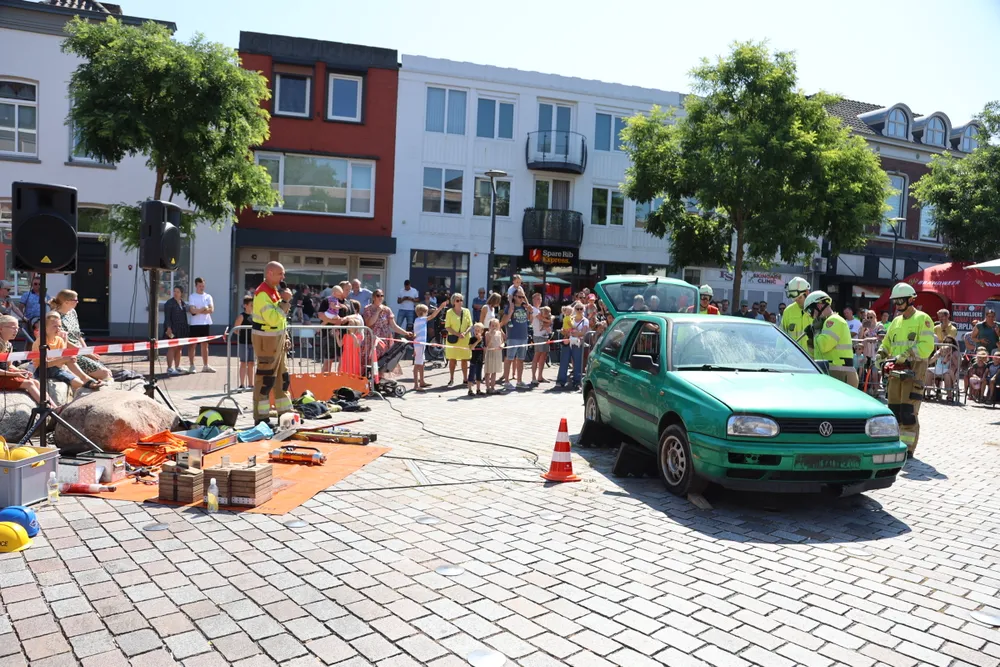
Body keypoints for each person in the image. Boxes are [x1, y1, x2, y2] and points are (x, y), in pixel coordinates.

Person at [876, 282, 935, 457]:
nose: (897, 304)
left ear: (910, 300)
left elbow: (926, 346)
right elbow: (887, 343)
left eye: (900, 301)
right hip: (896, 370)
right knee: (895, 409)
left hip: (914, 369)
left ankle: (908, 448)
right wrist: (881, 354)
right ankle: (896, 443)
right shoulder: (896, 321)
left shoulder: (923, 319)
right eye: (895, 301)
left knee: (908, 411)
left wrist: (908, 354)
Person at [251, 262, 293, 425]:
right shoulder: (262, 293)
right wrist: (286, 301)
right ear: (269, 273)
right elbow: (273, 319)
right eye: (280, 274)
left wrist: (285, 336)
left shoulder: (273, 291)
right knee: (265, 379)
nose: (283, 277)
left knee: (283, 377)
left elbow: (280, 319)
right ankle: (261, 417)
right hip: (266, 340)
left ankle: (285, 415)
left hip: (277, 339)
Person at [50, 290, 112, 384]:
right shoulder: (55, 317)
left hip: (80, 350)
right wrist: (85, 353)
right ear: (66, 302)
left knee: (107, 372)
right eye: (75, 300)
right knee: (105, 373)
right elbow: (63, 341)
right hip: (69, 353)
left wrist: (87, 350)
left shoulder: (72, 312)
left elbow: (78, 334)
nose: (77, 302)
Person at [804, 291, 858, 388]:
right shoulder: (825, 324)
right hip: (832, 372)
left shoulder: (833, 321)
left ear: (819, 306)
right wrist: (811, 339)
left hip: (840, 373)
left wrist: (816, 331)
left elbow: (823, 346)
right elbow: (815, 354)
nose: (811, 316)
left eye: (810, 311)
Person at [32, 311, 94, 393]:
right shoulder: (41, 342)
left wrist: (69, 358)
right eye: (55, 326)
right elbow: (44, 364)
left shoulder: (59, 340)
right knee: (64, 373)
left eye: (59, 326)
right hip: (42, 369)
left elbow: (63, 356)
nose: (58, 329)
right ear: (45, 328)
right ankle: (84, 384)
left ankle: (85, 379)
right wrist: (64, 360)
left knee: (69, 360)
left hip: (56, 365)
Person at [363, 289, 413, 374]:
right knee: (372, 361)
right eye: (378, 295)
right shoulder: (368, 308)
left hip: (385, 340)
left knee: (384, 361)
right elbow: (369, 323)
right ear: (374, 297)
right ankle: (372, 378)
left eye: (382, 296)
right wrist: (377, 311)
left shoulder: (387, 310)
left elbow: (393, 326)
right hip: (373, 340)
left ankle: (380, 378)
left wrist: (405, 333)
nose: (380, 297)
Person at [0, 315, 42, 403]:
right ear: (1, 329)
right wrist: (14, 374)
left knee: (36, 382)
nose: (16, 331)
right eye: (13, 328)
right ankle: (46, 407)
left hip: (4, 375)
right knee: (29, 384)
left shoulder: (9, 345)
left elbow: (9, 366)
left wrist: (21, 371)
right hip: (2, 376)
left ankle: (54, 407)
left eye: (17, 328)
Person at [500, 287, 532, 389]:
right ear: (514, 297)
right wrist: (510, 312)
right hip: (513, 337)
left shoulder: (524, 307)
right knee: (509, 359)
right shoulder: (510, 306)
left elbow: (530, 321)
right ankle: (506, 381)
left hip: (523, 337)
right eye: (519, 297)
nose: (522, 299)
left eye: (523, 297)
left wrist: (530, 312)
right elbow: (503, 322)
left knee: (521, 360)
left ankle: (519, 381)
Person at [412, 301, 446, 391]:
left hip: (419, 344)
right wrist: (440, 307)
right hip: (420, 344)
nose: (427, 313)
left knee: (422, 363)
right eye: (426, 312)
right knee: (417, 364)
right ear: (423, 312)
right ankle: (416, 385)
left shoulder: (416, 320)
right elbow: (433, 316)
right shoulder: (422, 319)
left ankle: (422, 381)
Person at [557, 302, 589, 391]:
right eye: (577, 308)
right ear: (574, 310)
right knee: (564, 361)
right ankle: (561, 381)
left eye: (581, 308)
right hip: (567, 341)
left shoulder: (585, 320)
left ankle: (577, 382)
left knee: (578, 363)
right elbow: (563, 329)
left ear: (583, 310)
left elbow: (583, 332)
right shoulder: (570, 318)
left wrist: (574, 333)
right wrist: (564, 331)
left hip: (578, 343)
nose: (579, 310)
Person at [187, 277, 215, 373]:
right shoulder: (192, 296)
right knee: (192, 345)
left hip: (205, 323)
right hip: (194, 324)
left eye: (203, 286)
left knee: (205, 345)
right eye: (200, 286)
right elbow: (192, 310)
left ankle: (205, 365)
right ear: (196, 286)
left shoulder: (208, 296)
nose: (202, 288)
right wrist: (203, 308)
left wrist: (198, 310)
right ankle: (192, 366)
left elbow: (211, 310)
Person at [444, 294, 472, 386]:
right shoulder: (449, 312)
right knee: (452, 360)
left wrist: (465, 333)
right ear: (453, 302)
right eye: (457, 300)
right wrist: (457, 334)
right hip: (453, 339)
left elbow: (470, 325)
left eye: (461, 300)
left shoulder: (467, 311)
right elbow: (447, 327)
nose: (460, 302)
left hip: (465, 339)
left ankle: (465, 379)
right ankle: (451, 378)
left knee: (464, 360)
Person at [780, 277, 812, 355]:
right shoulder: (788, 311)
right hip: (793, 359)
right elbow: (781, 337)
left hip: (812, 360)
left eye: (799, 298)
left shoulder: (818, 310)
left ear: (807, 292)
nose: (797, 301)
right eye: (795, 299)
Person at [163, 286, 190, 375]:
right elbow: (167, 317)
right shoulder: (169, 303)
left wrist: (186, 329)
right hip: (172, 329)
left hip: (181, 329)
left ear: (181, 293)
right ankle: (169, 368)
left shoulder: (183, 303)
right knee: (172, 347)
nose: (175, 293)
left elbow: (184, 317)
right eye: (174, 291)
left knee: (179, 347)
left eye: (178, 292)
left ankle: (177, 366)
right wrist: (168, 328)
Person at [926, 336, 960, 402]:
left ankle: (949, 395)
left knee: (947, 375)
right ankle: (928, 394)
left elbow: (957, 365)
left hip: (947, 371)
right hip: (938, 369)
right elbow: (930, 362)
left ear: (953, 343)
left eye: (950, 342)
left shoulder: (955, 352)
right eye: (946, 342)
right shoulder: (940, 350)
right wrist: (936, 357)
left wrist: (951, 356)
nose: (948, 343)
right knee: (928, 372)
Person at [232, 296, 255, 392]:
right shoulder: (241, 316)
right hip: (243, 343)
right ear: (245, 305)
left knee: (251, 363)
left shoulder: (255, 316)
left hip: (253, 343)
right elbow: (235, 329)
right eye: (251, 305)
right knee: (243, 362)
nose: (253, 306)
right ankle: (242, 384)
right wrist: (243, 335)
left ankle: (251, 384)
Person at [530, 295, 553, 385]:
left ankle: (540, 376)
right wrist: (550, 320)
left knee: (543, 357)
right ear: (533, 300)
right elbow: (543, 319)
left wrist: (550, 320)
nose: (539, 300)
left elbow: (550, 318)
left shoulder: (542, 310)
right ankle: (533, 377)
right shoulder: (533, 309)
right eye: (537, 299)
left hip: (545, 336)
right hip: (538, 336)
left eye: (540, 299)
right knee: (537, 356)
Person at [484, 318, 504, 394]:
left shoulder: (499, 333)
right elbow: (487, 345)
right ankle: (488, 388)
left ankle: (492, 387)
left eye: (496, 325)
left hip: (497, 354)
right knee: (488, 371)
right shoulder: (487, 333)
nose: (494, 327)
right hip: (490, 354)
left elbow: (502, 342)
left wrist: (502, 345)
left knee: (494, 371)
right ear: (489, 326)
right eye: (492, 325)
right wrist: (492, 336)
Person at [468, 322, 485, 396]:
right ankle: (470, 390)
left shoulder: (483, 339)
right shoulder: (472, 339)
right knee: (471, 375)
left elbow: (483, 349)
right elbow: (471, 347)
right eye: (475, 330)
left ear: (482, 331)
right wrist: (478, 340)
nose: (477, 332)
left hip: (480, 360)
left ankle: (478, 389)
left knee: (479, 375)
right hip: (473, 359)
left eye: (478, 330)